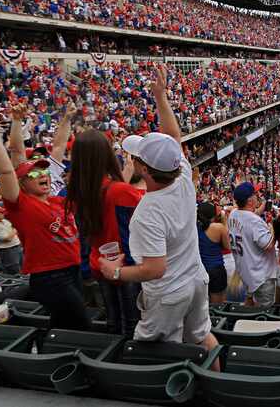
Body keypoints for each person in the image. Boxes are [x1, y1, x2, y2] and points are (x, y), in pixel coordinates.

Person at [98, 66, 219, 369]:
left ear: (144, 169)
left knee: (156, 353)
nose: (131, 159)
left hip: (169, 293)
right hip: (196, 278)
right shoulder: (183, 176)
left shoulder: (146, 213)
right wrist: (160, 96)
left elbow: (154, 269)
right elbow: (174, 137)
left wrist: (114, 272)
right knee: (204, 337)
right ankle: (218, 385)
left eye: (135, 158)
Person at [0, 117, 90, 331]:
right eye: (34, 173)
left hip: (73, 268)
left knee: (64, 324)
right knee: (81, 323)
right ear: (22, 183)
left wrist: (67, 118)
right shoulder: (21, 205)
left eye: (44, 171)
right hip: (50, 276)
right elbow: (7, 169)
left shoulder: (58, 200)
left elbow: (60, 148)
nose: (43, 175)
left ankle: (56, 355)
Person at [65, 128, 144, 337]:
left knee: (113, 321)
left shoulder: (76, 193)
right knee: (133, 325)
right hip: (126, 267)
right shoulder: (121, 191)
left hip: (98, 264)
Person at [228, 182, 278, 307]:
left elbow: (247, 220)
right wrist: (273, 228)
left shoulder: (233, 214)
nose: (257, 196)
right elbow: (269, 245)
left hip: (246, 272)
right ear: (250, 201)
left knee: (249, 307)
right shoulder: (255, 221)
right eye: (255, 194)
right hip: (261, 276)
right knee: (263, 314)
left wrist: (261, 208)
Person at [197, 201, 231, 305]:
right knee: (218, 304)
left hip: (199, 269)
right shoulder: (218, 227)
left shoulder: (194, 226)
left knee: (202, 304)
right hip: (216, 269)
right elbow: (227, 246)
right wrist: (225, 222)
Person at [0, 206, 23, 274]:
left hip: (17, 246)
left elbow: (14, 231)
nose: (4, 214)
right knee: (13, 270)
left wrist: (14, 230)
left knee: (21, 266)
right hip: (8, 250)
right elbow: (8, 238)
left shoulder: (4, 221)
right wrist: (15, 229)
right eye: (1, 213)